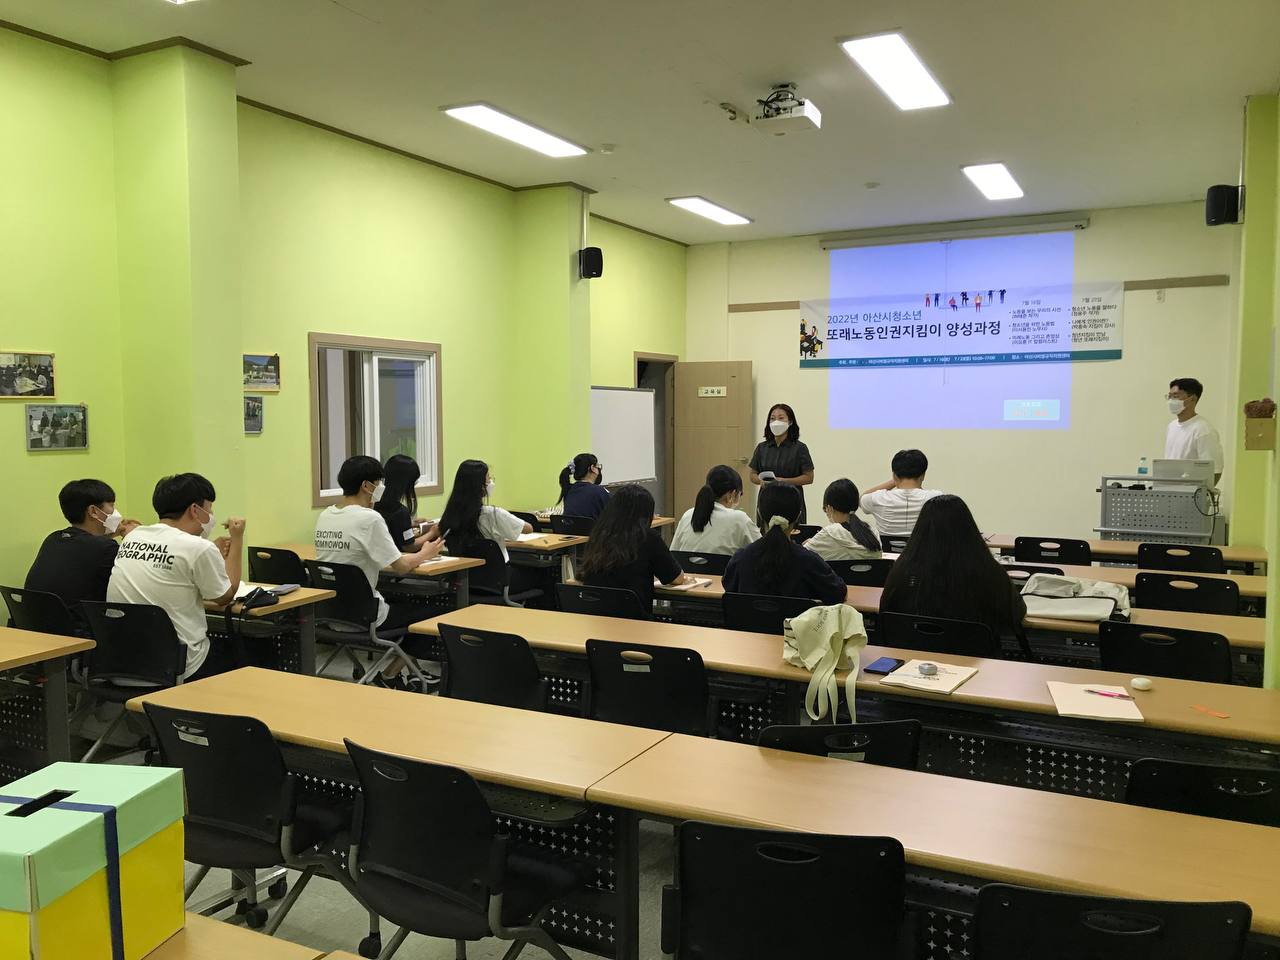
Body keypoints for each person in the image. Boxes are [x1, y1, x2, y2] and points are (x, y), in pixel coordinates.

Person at [314, 456, 447, 685]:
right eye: (379, 482)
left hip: (331, 613)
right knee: (438, 612)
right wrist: (427, 552)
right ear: (366, 486)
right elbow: (402, 566)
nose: (382, 488)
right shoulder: (370, 518)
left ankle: (402, 672)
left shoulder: (325, 515)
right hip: (367, 615)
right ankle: (390, 675)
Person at [107, 473, 245, 682]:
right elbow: (225, 596)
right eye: (209, 509)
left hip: (123, 663)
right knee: (249, 651)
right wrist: (237, 539)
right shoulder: (198, 548)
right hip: (179, 666)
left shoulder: (133, 537)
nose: (211, 515)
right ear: (194, 510)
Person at [881, 495, 1026, 641]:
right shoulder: (989, 570)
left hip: (911, 654)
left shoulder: (903, 569)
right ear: (968, 528)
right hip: (976, 657)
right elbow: (1015, 614)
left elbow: (885, 611)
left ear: (921, 528)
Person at [25, 479, 140, 611]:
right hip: (78, 629)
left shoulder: (53, 538)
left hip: (35, 625)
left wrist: (109, 536)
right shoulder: (106, 548)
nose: (115, 512)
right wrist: (134, 537)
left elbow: (85, 547)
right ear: (93, 511)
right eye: (112, 505)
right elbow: (132, 585)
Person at [723, 484, 846, 604]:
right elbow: (838, 593)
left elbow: (728, 587)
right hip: (793, 625)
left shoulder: (741, 558)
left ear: (759, 513)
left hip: (747, 624)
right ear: (798, 515)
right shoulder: (809, 561)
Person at [436, 459, 543, 594]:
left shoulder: (450, 516)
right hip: (498, 581)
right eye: (488, 478)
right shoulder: (493, 514)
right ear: (480, 485)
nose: (491, 481)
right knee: (542, 574)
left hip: (466, 582)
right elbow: (528, 528)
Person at [580, 485, 691, 614]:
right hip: (634, 620)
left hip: (595, 618)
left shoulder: (598, 535)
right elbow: (676, 578)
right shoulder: (648, 537)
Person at [670, 465, 760, 555]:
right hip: (724, 569)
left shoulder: (688, 515)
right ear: (731, 495)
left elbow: (673, 553)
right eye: (740, 495)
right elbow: (763, 551)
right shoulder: (740, 519)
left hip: (687, 569)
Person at [748, 403, 815, 523]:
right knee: (767, 537)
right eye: (772, 418)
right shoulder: (762, 448)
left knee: (792, 537)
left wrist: (782, 481)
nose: (776, 422)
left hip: (791, 500)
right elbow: (752, 475)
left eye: (781, 418)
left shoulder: (800, 448)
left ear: (790, 422)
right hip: (767, 500)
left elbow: (809, 477)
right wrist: (760, 481)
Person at [859, 449, 942, 539]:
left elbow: (862, 499)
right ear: (923, 475)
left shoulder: (879, 498)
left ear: (894, 475)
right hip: (922, 553)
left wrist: (894, 481)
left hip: (888, 553)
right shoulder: (935, 498)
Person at [803, 479, 882, 562]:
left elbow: (800, 557)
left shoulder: (830, 533)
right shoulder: (873, 532)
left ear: (830, 508)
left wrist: (812, 542)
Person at [1164, 378, 1224, 484]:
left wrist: (1202, 494)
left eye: (1176, 396)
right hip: (1170, 491)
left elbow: (1215, 471)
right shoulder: (1172, 426)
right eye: (1169, 396)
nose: (1171, 400)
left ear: (1192, 398)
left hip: (1192, 495)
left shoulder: (1203, 429)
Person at [375, 454, 433, 552]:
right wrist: (432, 533)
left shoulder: (374, 503)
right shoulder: (400, 511)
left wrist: (410, 524)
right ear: (407, 483)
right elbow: (409, 547)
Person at [556, 453, 610, 520]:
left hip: (573, 530)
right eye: (597, 466)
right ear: (592, 468)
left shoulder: (569, 490)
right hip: (593, 530)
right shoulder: (599, 491)